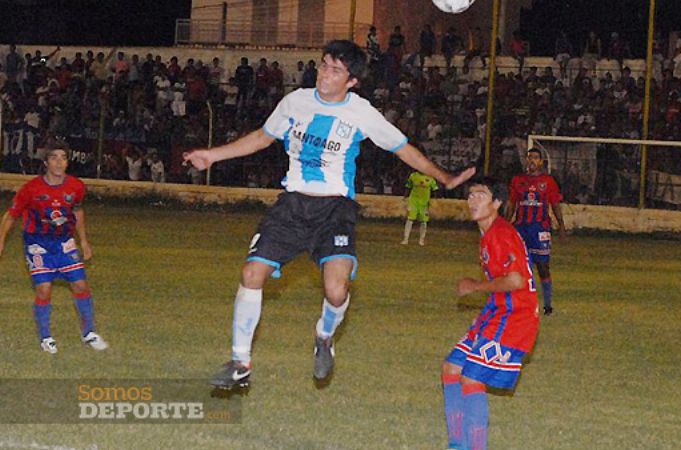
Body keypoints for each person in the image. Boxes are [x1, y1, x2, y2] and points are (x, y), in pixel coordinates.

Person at [183, 40, 475, 389]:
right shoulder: (295, 102)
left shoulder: (361, 112)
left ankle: (324, 335)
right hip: (291, 206)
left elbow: (404, 150)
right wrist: (212, 156)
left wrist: (445, 177)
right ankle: (240, 362)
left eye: (336, 70)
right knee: (251, 273)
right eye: (323, 65)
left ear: (352, 81)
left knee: (336, 292)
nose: (324, 74)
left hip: (334, 210)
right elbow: (262, 137)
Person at [441, 177, 539, 450]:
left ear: (497, 203)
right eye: (470, 195)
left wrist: (476, 286)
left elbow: (516, 281)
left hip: (515, 319)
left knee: (471, 377)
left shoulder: (501, 234)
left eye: (481, 195)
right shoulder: (489, 234)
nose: (473, 200)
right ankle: (457, 445)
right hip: (497, 313)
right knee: (451, 368)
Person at [0, 143, 108, 354]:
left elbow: (77, 211)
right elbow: (11, 214)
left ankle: (89, 333)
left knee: (80, 286)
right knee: (44, 288)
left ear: (67, 162)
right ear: (46, 162)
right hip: (37, 244)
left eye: (63, 157)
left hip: (64, 243)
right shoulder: (31, 189)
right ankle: (46, 337)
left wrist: (84, 241)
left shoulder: (76, 186)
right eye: (54, 157)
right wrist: (1, 239)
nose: (59, 162)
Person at [506, 148, 565, 316]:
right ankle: (523, 304)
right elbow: (511, 203)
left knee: (543, 267)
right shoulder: (518, 180)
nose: (531, 160)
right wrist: (505, 224)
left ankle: (547, 305)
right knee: (520, 267)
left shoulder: (548, 181)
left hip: (540, 229)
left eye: (535, 158)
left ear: (540, 162)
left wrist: (561, 226)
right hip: (521, 228)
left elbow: (555, 205)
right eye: (529, 157)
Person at [401, 170, 439, 246]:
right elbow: (408, 186)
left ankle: (421, 240)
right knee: (410, 219)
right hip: (413, 201)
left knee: (423, 221)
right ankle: (405, 239)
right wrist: (405, 197)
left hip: (424, 203)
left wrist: (434, 200)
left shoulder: (430, 177)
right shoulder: (413, 176)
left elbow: (435, 189)